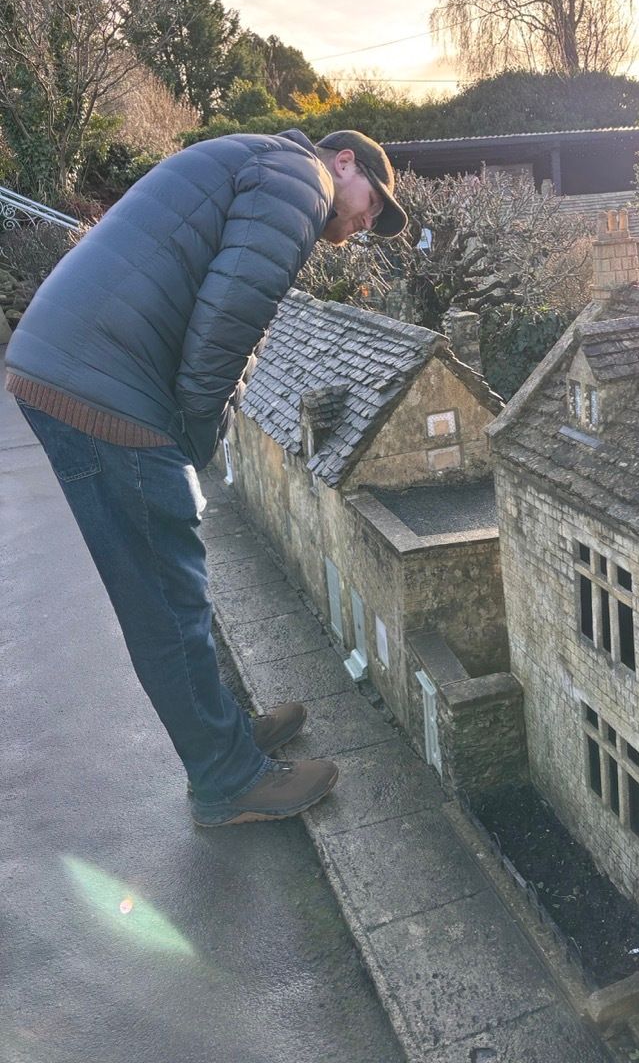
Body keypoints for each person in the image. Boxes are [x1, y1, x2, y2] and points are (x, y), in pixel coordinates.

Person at [4, 128, 407, 827]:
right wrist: (194, 440)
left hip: (78, 365)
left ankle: (226, 735)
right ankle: (227, 779)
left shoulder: (265, 164)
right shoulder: (302, 180)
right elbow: (229, 322)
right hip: (106, 387)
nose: (368, 223)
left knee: (169, 588)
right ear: (345, 162)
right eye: (373, 203)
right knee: (165, 597)